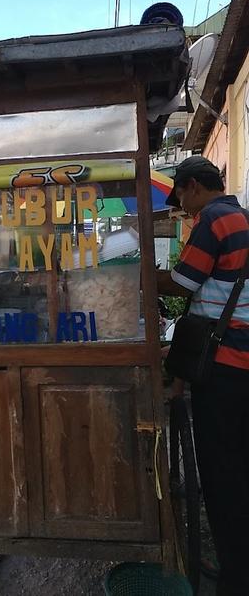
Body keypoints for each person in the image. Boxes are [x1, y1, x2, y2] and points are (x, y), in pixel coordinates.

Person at [157, 156, 249, 596]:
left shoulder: (213, 219)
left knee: (222, 474)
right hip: (242, 361)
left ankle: (235, 578)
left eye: (183, 198)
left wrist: (139, 277)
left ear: (193, 186)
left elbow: (182, 283)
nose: (186, 209)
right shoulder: (243, 218)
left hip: (227, 366)